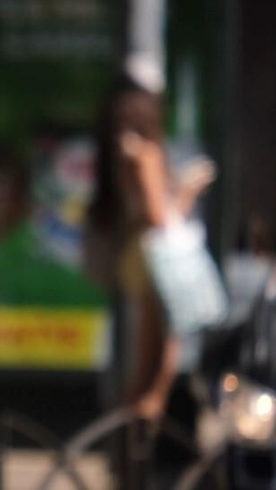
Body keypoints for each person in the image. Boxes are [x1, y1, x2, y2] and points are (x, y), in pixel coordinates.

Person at [84, 71, 215, 421]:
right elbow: (160, 216)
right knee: (164, 341)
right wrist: (187, 191)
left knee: (148, 341)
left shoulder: (122, 152)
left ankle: (136, 417)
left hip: (139, 251)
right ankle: (149, 406)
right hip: (158, 254)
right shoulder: (146, 154)